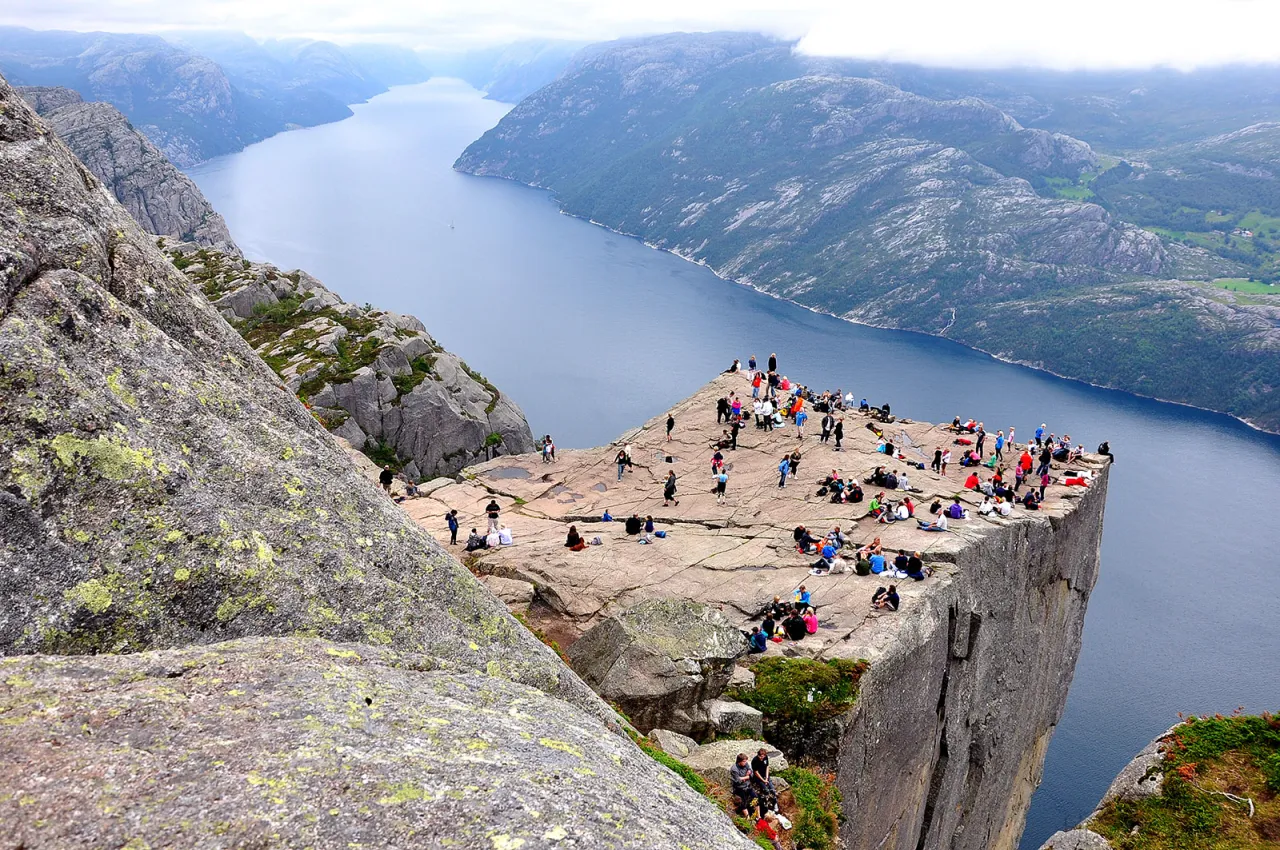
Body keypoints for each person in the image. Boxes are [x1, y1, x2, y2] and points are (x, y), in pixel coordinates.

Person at [730, 754, 757, 819]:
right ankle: (747, 818)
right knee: (742, 802)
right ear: (739, 761)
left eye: (745, 761)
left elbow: (751, 772)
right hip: (739, 788)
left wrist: (747, 774)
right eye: (744, 761)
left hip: (747, 786)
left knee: (756, 798)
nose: (745, 762)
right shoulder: (734, 769)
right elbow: (738, 781)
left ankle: (758, 816)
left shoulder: (746, 764)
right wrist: (746, 777)